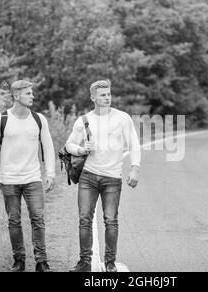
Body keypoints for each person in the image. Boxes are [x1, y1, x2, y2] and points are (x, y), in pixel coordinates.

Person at [65, 79, 141, 272]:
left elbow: (133, 143)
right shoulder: (84, 120)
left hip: (112, 178)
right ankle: (84, 262)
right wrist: (82, 149)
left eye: (109, 94)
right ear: (93, 98)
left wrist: (135, 168)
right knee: (84, 220)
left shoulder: (123, 118)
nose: (107, 98)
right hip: (88, 176)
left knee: (111, 220)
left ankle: (110, 263)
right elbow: (69, 145)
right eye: (103, 95)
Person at [0, 80, 56, 272]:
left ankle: (41, 261)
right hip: (9, 180)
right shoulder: (1, 119)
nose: (32, 96)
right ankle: (19, 260)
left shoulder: (39, 119)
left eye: (32, 93)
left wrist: (50, 173)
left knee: (38, 219)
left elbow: (48, 148)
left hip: (33, 179)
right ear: (16, 96)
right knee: (14, 221)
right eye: (28, 93)